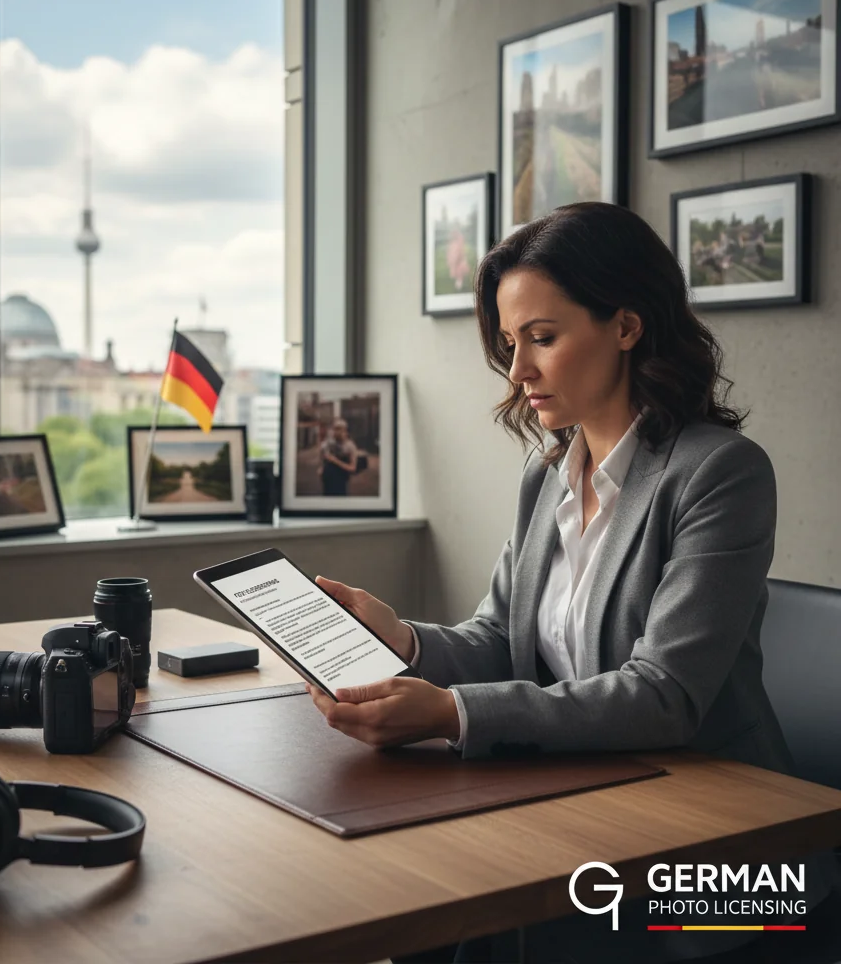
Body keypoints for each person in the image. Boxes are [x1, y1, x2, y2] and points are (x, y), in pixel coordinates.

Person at [306, 203, 839, 963]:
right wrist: (403, 640)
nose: (518, 371)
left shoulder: (719, 473)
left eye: (543, 338)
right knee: (426, 893)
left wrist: (454, 713)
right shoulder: (548, 470)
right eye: (510, 344)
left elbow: (663, 695)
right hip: (595, 799)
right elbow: (502, 638)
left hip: (732, 853)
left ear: (626, 326)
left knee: (498, 916)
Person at [319, 417, 358, 496]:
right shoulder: (327, 443)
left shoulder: (350, 446)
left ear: (345, 430)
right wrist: (321, 468)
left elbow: (352, 468)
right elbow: (323, 456)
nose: (336, 432)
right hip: (327, 481)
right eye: (335, 429)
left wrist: (335, 461)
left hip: (340, 482)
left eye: (339, 429)